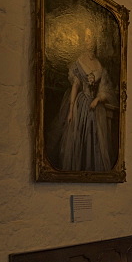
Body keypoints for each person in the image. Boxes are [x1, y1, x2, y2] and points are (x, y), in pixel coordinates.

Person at [55, 29, 113, 172]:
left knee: (94, 138)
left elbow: (105, 88)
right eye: (87, 38)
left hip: (95, 106)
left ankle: (91, 171)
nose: (89, 41)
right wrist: (71, 110)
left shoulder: (99, 65)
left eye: (91, 38)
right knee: (78, 136)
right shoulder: (79, 61)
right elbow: (75, 86)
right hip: (81, 105)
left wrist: (98, 99)